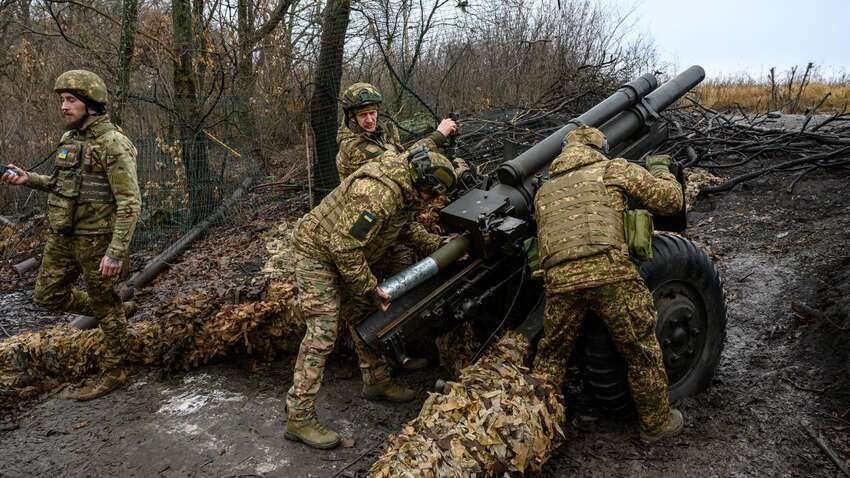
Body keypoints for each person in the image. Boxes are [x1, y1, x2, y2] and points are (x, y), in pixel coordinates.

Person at [285, 148, 457, 450]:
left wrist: (440, 245)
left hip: (341, 252)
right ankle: (298, 417)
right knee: (322, 333)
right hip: (317, 253)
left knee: (365, 318)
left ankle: (376, 380)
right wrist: (369, 288)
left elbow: (403, 228)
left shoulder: (405, 186)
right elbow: (344, 247)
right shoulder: (378, 195)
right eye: (430, 196)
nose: (430, 203)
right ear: (420, 185)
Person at [531, 125, 685, 443]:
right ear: (598, 147)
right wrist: (662, 170)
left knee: (551, 357)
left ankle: (535, 432)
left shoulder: (544, 189)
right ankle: (657, 424)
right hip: (611, 275)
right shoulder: (613, 168)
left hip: (560, 283)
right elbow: (670, 202)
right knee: (640, 349)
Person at [1, 70, 141, 401]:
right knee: (47, 296)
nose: (63, 107)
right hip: (63, 237)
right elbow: (61, 184)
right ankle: (113, 310)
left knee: (107, 307)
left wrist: (116, 252)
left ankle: (116, 369)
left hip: (97, 241)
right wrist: (28, 179)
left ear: (91, 105)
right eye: (62, 100)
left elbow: (130, 202)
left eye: (71, 100)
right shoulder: (70, 140)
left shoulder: (114, 144)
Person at [336, 82, 459, 182]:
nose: (369, 120)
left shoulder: (379, 132)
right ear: (352, 117)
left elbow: (401, 153)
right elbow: (399, 165)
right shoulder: (354, 147)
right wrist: (438, 136)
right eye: (363, 115)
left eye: (372, 113)